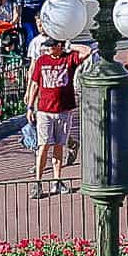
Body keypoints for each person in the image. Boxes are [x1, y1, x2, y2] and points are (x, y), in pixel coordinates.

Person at [26, 35, 83, 198]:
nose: (49, 48)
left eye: (52, 45)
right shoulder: (42, 61)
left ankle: (57, 180)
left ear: (60, 46)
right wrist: (30, 106)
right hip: (45, 110)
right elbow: (35, 84)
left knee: (59, 145)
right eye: (48, 46)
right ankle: (38, 182)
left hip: (64, 110)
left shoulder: (69, 58)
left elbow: (87, 52)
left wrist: (70, 46)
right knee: (44, 146)